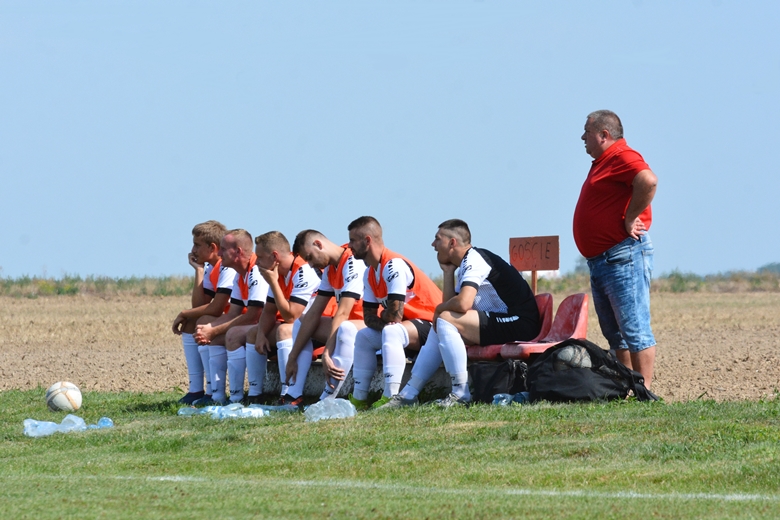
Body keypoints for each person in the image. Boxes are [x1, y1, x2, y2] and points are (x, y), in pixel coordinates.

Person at [379, 219, 540, 408]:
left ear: (452, 242)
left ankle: (460, 392)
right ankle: (409, 394)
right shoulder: (464, 263)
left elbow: (463, 304)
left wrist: (439, 309)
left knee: (445, 319)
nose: (433, 244)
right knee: (441, 324)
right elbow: (451, 305)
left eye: (437, 239)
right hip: (502, 322)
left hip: (520, 323)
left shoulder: (475, 258)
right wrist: (448, 272)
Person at [574, 109, 658, 388]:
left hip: (622, 255)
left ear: (604, 135)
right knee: (616, 334)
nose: (582, 137)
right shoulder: (604, 161)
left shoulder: (622, 155)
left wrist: (631, 217)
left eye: (587, 132)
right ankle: (627, 388)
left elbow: (648, 180)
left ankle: (644, 391)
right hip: (603, 260)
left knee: (634, 329)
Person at [347, 216, 443, 410]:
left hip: (434, 326)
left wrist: (385, 317)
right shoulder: (369, 273)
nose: (349, 246)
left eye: (353, 240)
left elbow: (394, 316)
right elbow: (368, 318)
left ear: (367, 240)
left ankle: (391, 397)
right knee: (364, 336)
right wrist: (387, 317)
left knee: (392, 330)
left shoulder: (393, 265)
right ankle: (359, 399)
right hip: (407, 329)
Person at [235, 231, 324, 407]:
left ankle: (288, 394)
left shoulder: (303, 270)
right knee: (253, 334)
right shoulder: (279, 274)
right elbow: (269, 311)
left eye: (260, 257)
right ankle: (254, 395)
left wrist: (274, 283)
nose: (256, 262)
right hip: (300, 327)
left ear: (274, 256)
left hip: (320, 327)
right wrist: (261, 334)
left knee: (284, 330)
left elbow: (291, 316)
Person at [284, 229, 367, 401]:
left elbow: (343, 313)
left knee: (345, 328)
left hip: (371, 325)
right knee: (302, 322)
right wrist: (292, 356)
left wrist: (327, 354)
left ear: (318, 244)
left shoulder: (353, 261)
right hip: (350, 325)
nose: (310, 265)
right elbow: (314, 312)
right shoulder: (330, 269)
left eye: (309, 257)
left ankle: (327, 399)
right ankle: (293, 395)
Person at [193, 229, 268, 405]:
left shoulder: (256, 271)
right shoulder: (240, 274)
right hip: (260, 325)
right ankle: (217, 397)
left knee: (232, 335)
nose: (219, 254)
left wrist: (214, 330)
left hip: (273, 325)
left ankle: (245, 398)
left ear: (238, 252)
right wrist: (209, 329)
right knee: (213, 333)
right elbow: (234, 312)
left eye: (223, 249)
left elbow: (253, 315)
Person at [171, 220, 235, 404]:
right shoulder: (211, 267)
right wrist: (199, 270)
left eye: (197, 245)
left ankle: (211, 391)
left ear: (212, 247)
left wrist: (184, 312)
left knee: (201, 321)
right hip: (226, 317)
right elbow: (200, 304)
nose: (193, 250)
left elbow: (216, 308)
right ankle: (195, 389)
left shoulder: (227, 267)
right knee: (192, 321)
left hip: (239, 318)